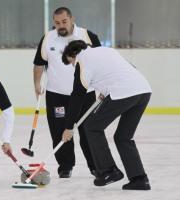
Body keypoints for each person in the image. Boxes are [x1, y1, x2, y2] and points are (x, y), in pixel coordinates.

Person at [61, 40, 152, 190]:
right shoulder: (106, 50)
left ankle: (109, 171)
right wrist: (105, 90)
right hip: (143, 90)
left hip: (123, 92)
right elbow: (125, 69)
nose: (73, 66)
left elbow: (77, 96)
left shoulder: (82, 61)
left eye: (71, 62)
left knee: (91, 127)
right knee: (123, 137)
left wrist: (68, 127)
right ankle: (139, 179)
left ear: (74, 54)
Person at [33, 7, 101, 178]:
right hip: (57, 94)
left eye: (64, 21)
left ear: (71, 19)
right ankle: (65, 166)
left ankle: (95, 166)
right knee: (59, 131)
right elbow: (39, 63)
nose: (61, 26)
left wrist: (102, 88)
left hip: (86, 94)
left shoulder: (88, 36)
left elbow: (101, 62)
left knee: (88, 130)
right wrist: (36, 83)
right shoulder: (48, 38)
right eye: (57, 23)